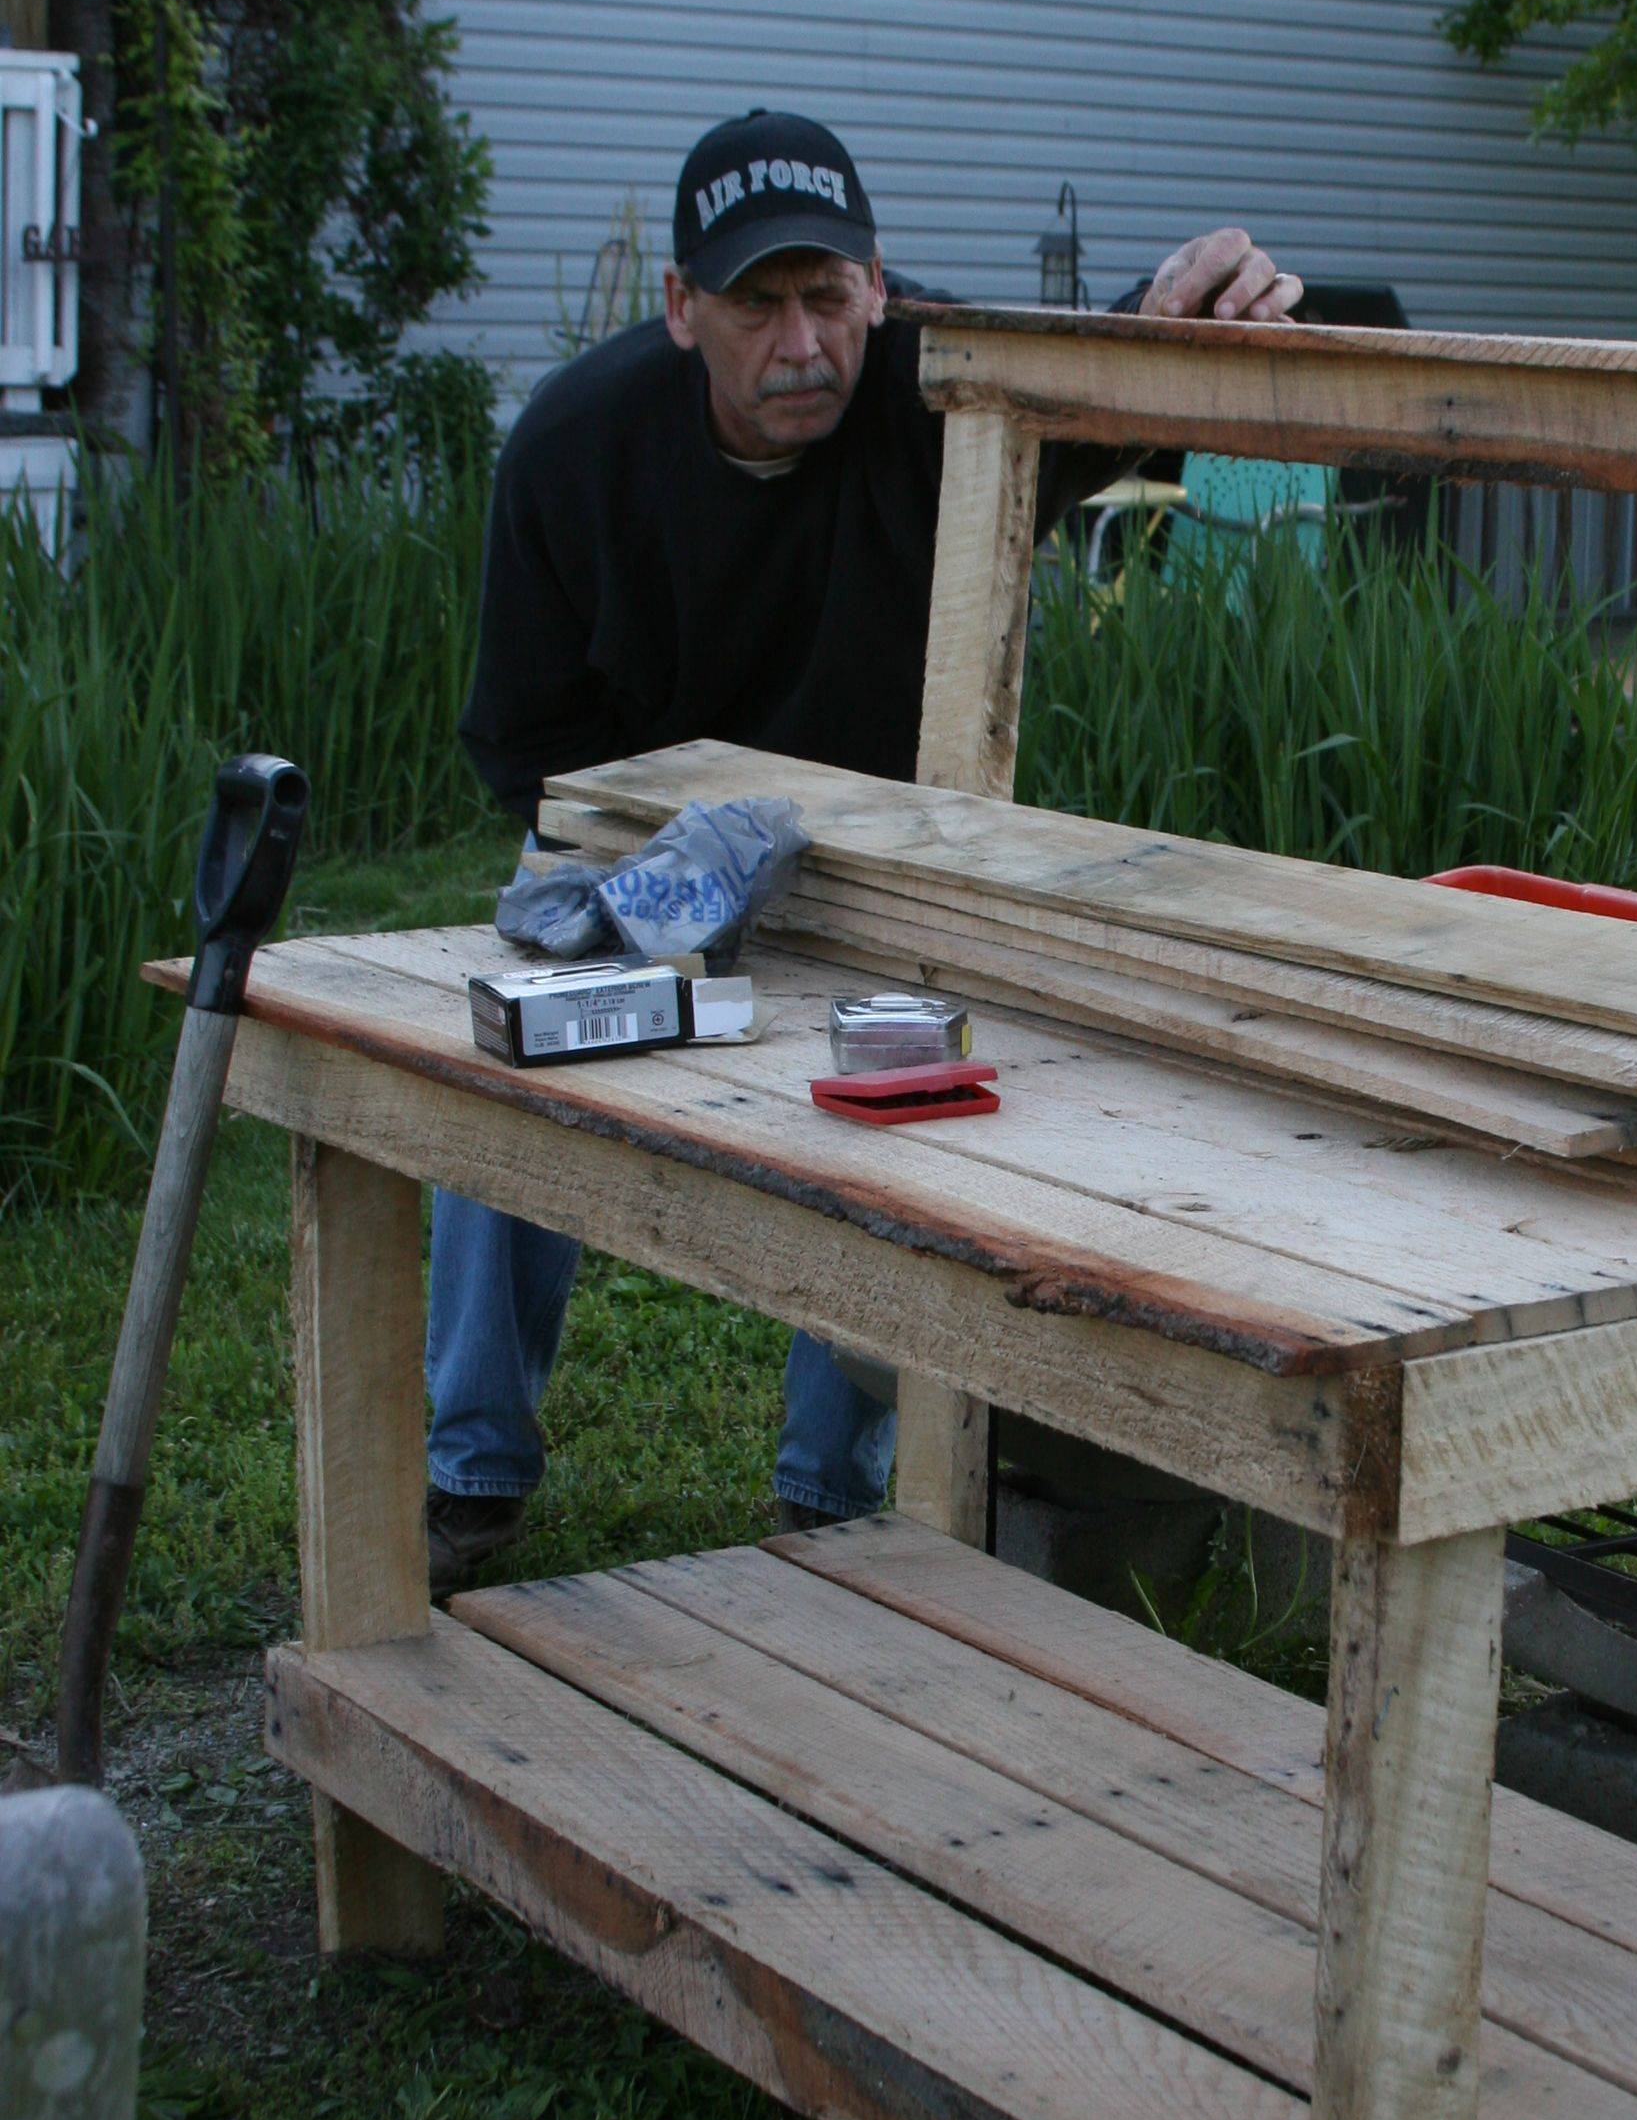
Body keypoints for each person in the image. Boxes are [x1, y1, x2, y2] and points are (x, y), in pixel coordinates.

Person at [426, 106, 1301, 1593]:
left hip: (878, 862)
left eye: (829, 298)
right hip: (638, 855)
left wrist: (1195, 313)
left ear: (882, 293)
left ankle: (831, 1501)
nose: (801, 344)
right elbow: (520, 746)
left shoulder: (941, 394)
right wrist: (658, 877)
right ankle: (473, 1470)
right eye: (757, 305)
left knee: (904, 1101)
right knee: (494, 1071)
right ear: (681, 309)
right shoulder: (574, 451)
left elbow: (1112, 385)